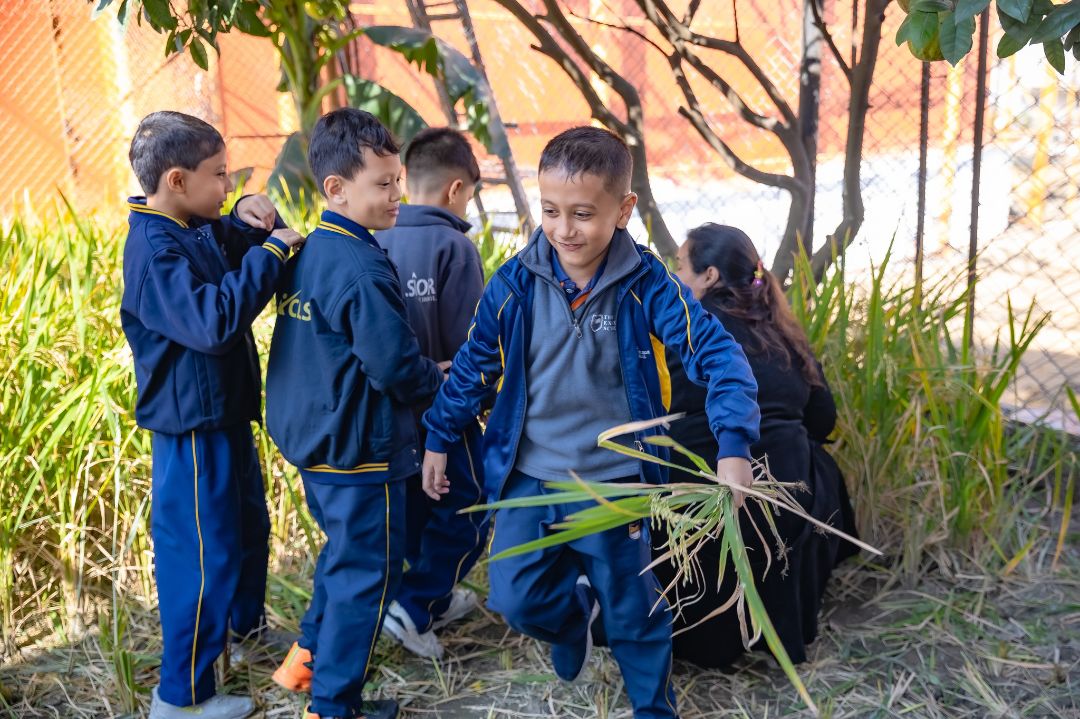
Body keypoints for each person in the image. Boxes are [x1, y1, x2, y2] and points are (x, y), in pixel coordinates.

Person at [420, 127, 761, 719]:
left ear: (623, 210)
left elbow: (718, 356)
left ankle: (653, 708)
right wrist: (440, 435)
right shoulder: (515, 283)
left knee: (633, 611)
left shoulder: (648, 286)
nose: (564, 229)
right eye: (550, 210)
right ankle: (571, 620)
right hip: (532, 480)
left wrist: (734, 444)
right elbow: (474, 366)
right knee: (516, 598)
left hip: (615, 483)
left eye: (582, 214)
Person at [120, 110, 304, 719]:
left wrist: (247, 213)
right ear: (177, 180)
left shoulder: (189, 225)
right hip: (192, 432)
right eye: (220, 175)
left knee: (248, 532)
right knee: (202, 557)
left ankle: (245, 636)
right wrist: (271, 251)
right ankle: (183, 697)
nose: (228, 185)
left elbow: (223, 238)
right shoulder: (154, 250)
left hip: (223, 417)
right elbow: (213, 322)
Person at [264, 109, 443, 719]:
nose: (396, 196)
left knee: (344, 559)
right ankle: (334, 706)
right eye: (382, 184)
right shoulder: (361, 266)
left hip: (318, 444)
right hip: (360, 453)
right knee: (367, 577)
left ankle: (305, 661)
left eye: (398, 182)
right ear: (336, 188)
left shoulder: (314, 249)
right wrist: (440, 381)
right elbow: (395, 367)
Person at [657, 223, 859, 668]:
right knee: (817, 462)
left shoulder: (687, 331)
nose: (675, 277)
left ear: (709, 276)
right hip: (786, 502)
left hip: (704, 505)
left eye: (680, 266)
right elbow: (823, 419)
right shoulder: (781, 333)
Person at [376, 127, 488, 660]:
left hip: (389, 416)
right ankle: (415, 605)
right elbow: (473, 348)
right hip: (445, 411)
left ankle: (431, 599)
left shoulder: (372, 237)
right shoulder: (454, 246)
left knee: (419, 512)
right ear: (455, 189)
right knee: (471, 507)